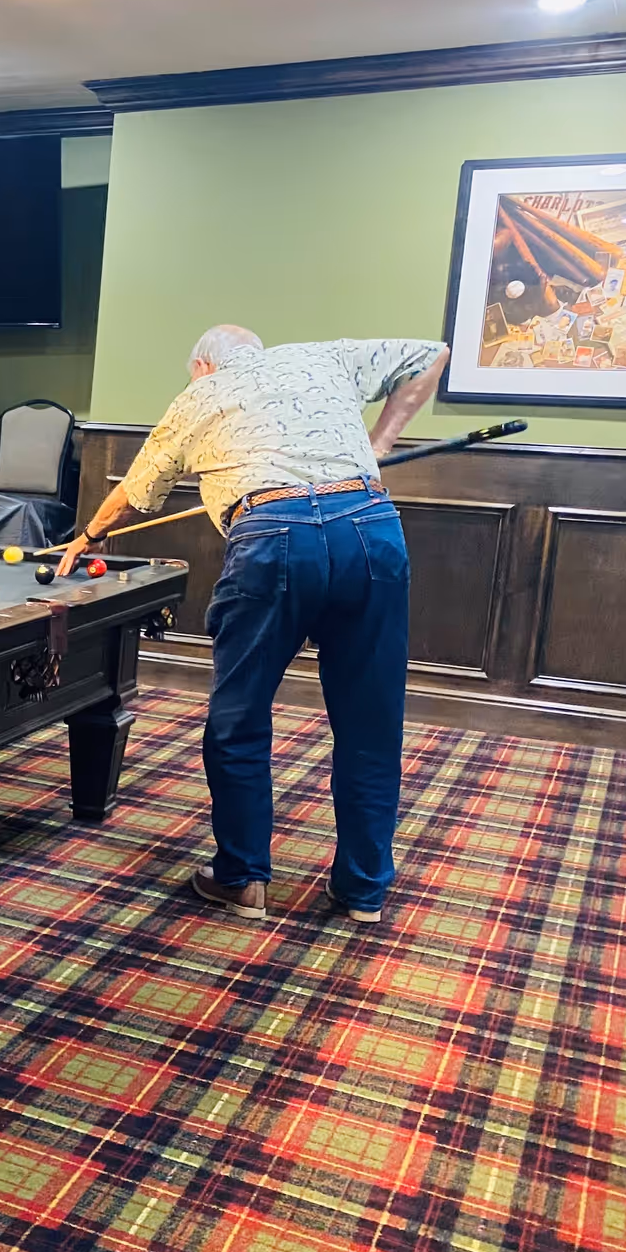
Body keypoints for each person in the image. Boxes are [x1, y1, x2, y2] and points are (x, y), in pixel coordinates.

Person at [59, 325, 449, 923]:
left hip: (273, 536)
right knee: (370, 725)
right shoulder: (323, 355)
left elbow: (134, 494)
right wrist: (379, 445)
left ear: (202, 366)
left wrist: (88, 535)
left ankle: (242, 879)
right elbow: (432, 354)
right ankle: (363, 891)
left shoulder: (199, 395)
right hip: (369, 528)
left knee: (239, 719)